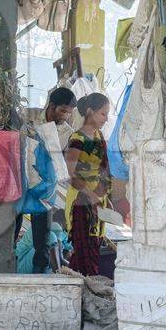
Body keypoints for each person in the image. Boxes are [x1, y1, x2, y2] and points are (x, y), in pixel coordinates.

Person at [19, 87, 76, 274]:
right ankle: (8, 264)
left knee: (42, 233)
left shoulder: (67, 131)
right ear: (51, 106)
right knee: (13, 221)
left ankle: (39, 271)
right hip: (22, 178)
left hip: (45, 186)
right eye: (62, 111)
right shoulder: (29, 115)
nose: (65, 116)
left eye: (69, 113)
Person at [64, 93, 111, 277]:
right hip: (80, 203)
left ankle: (77, 287)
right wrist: (90, 194)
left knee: (91, 250)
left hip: (98, 202)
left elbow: (105, 170)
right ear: (90, 112)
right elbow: (70, 174)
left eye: (107, 115)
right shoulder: (77, 138)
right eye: (103, 114)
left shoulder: (99, 137)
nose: (106, 119)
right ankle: (90, 287)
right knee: (86, 253)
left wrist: (103, 194)